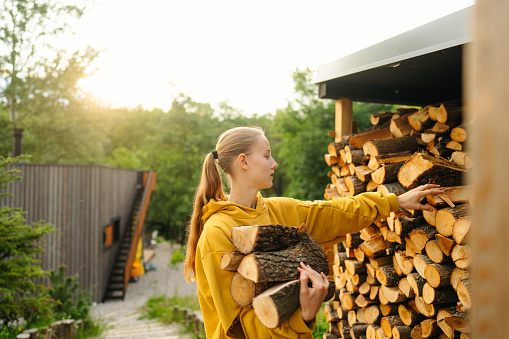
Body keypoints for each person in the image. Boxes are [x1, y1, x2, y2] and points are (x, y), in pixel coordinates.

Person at [184, 126, 442, 338]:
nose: (274, 163)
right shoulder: (217, 233)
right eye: (266, 155)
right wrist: (304, 317)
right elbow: (240, 327)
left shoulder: (277, 209)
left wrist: (395, 201)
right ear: (243, 161)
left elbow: (334, 212)